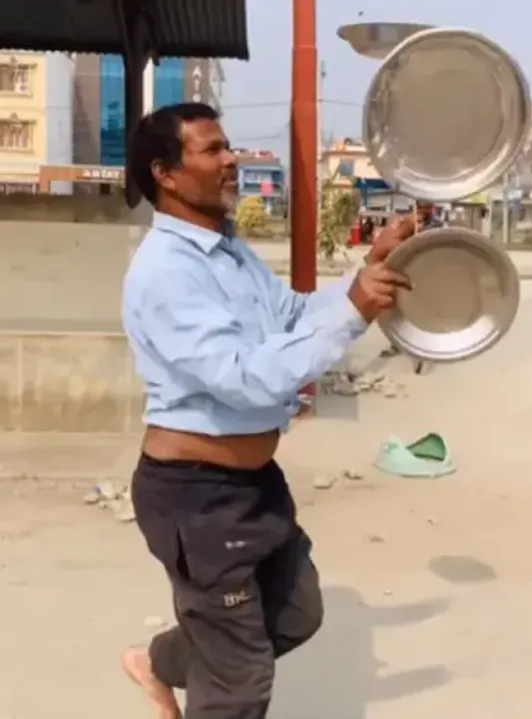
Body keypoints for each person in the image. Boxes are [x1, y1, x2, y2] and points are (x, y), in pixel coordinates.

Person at [117, 102, 414, 719]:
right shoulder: (166, 271)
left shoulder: (227, 251)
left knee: (297, 611)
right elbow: (245, 379)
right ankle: (199, 674)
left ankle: (158, 663)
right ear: (165, 174)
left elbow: (291, 317)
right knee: (241, 685)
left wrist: (362, 279)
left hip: (253, 487)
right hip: (196, 499)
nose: (231, 161)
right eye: (212, 150)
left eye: (228, 147)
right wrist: (356, 309)